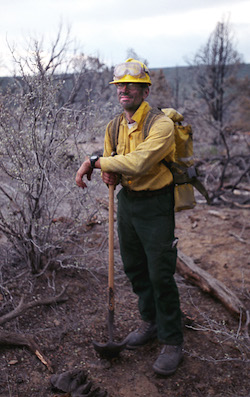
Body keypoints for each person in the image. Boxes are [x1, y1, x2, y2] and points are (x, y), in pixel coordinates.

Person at [76, 58, 183, 376]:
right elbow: (115, 163)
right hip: (128, 205)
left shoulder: (162, 126)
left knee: (160, 273)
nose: (124, 89)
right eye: (119, 84)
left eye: (131, 85)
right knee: (135, 268)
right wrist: (107, 170)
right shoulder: (114, 126)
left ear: (145, 90)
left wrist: (96, 163)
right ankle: (150, 322)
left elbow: (135, 163)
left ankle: (172, 340)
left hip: (156, 205)